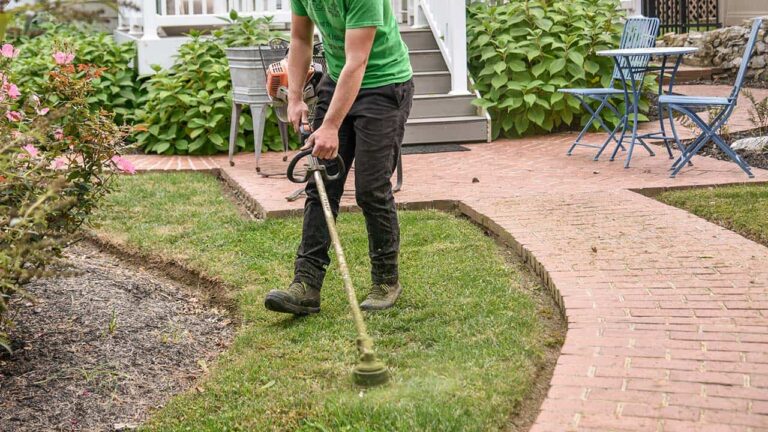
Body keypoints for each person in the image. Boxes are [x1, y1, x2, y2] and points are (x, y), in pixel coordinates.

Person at [264, 0, 414, 315]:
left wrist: (331, 126)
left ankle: (386, 280)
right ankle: (305, 286)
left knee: (371, 188)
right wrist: (294, 97)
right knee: (320, 183)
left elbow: (357, 61)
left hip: (384, 85)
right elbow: (301, 40)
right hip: (338, 81)